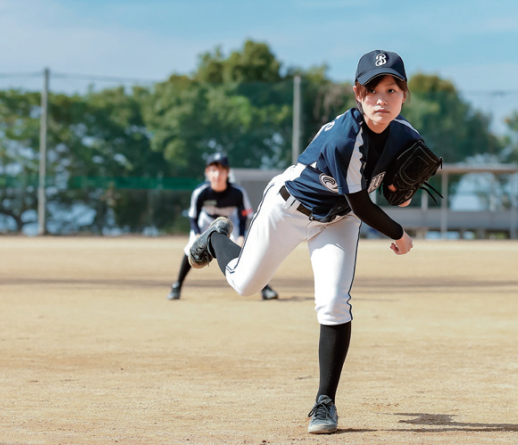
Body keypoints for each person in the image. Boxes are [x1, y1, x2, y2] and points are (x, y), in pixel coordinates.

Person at [188, 50, 420, 434]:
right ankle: (216, 239)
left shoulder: (406, 135)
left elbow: (400, 183)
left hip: (337, 222)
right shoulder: (345, 138)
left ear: (404, 95)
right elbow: (362, 203)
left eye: (392, 89)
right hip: (288, 209)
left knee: (333, 302)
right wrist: (399, 233)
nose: (383, 98)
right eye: (373, 89)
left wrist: (402, 189)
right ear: (357, 94)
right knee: (246, 285)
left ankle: (324, 403)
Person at [167, 152, 279, 301]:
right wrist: (197, 235)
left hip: (229, 223)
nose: (217, 174)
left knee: (246, 251)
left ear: (227, 173)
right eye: (213, 170)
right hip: (206, 222)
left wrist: (240, 236)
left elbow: (243, 216)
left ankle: (265, 288)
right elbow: (193, 217)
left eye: (221, 170)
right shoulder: (201, 192)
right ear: (207, 173)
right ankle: (177, 286)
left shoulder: (238, 192)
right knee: (189, 249)